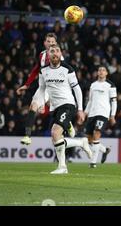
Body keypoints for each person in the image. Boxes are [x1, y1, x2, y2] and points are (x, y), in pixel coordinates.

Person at [37, 45, 92, 174]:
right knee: (56, 139)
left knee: (55, 133)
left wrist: (80, 109)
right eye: (52, 51)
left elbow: (77, 89)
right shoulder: (43, 71)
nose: (55, 53)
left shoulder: (67, 69)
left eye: (57, 51)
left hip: (67, 104)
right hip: (54, 107)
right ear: (48, 55)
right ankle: (80, 142)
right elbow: (42, 90)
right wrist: (41, 102)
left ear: (60, 54)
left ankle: (62, 167)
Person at [16, 33, 75, 145]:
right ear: (45, 43)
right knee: (33, 106)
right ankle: (27, 136)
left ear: (56, 44)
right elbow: (36, 69)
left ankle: (68, 124)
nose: (50, 44)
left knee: (56, 109)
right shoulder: (42, 55)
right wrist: (27, 84)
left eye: (53, 42)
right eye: (48, 41)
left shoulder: (58, 57)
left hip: (55, 88)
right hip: (43, 86)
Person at [84, 66, 117, 168]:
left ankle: (93, 163)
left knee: (96, 133)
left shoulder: (110, 85)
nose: (101, 72)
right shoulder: (93, 85)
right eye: (99, 70)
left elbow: (114, 102)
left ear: (106, 73)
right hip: (92, 113)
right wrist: (85, 112)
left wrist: (112, 115)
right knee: (89, 139)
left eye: (103, 70)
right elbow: (90, 100)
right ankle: (105, 150)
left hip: (103, 113)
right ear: (97, 73)